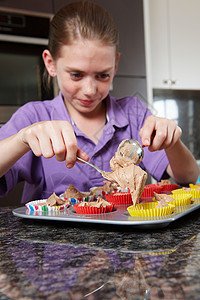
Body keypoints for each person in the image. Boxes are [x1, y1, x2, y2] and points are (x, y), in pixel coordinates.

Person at [0, 1, 199, 204]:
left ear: (115, 65)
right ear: (50, 64)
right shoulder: (33, 118)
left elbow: (190, 177)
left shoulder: (134, 114)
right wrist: (21, 140)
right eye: (76, 75)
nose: (90, 90)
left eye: (103, 75)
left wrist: (172, 143)